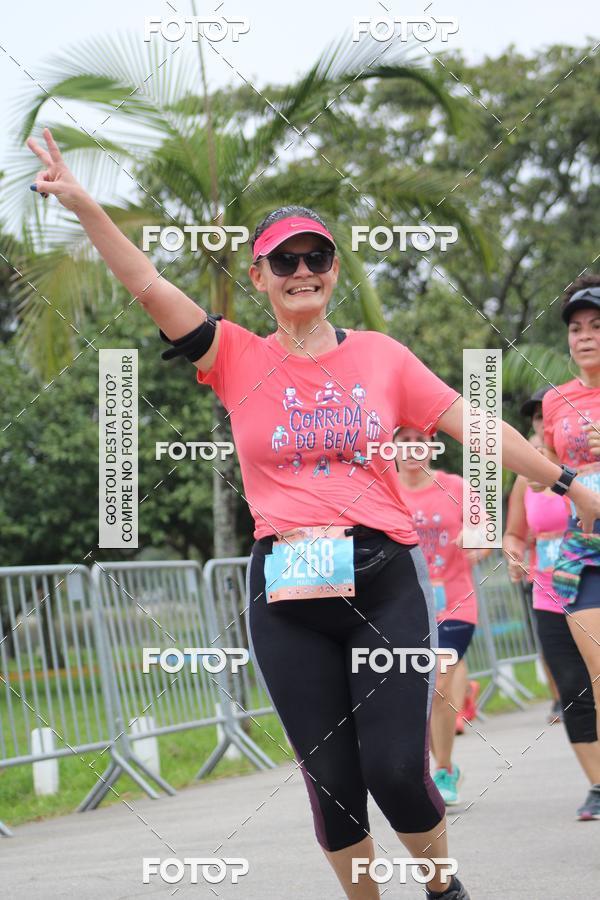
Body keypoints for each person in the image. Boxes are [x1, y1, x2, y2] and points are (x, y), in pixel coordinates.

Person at [27, 128, 600, 900]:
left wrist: (567, 483)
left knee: (394, 768)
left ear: (332, 272)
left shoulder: (383, 358)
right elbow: (147, 284)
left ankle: (441, 888)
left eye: (317, 258)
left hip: (381, 584)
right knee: (332, 784)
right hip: (286, 594)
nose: (303, 271)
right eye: (285, 260)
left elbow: (480, 426)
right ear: (259, 275)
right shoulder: (231, 354)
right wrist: (83, 203)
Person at [503, 387, 600, 820]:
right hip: (549, 594)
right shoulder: (528, 473)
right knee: (574, 692)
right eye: (538, 418)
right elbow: (514, 532)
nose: (544, 424)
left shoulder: (588, 464)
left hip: (590, 581)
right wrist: (512, 551)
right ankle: (597, 785)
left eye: (552, 417)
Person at [395, 426, 488, 806]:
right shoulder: (384, 489)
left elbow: (483, 530)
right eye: (404, 442)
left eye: (421, 441)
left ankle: (444, 770)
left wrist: (477, 539)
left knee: (440, 676)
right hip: (404, 604)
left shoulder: (456, 486)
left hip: (455, 603)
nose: (413, 449)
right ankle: (417, 770)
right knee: (416, 690)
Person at [538, 276, 600, 820]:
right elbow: (544, 473)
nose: (584, 337)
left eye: (596, 326)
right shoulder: (557, 400)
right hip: (583, 549)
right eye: (576, 329)